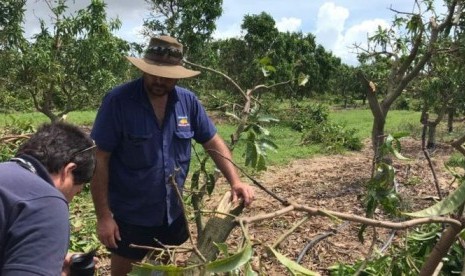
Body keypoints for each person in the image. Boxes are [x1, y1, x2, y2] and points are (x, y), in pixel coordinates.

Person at [90, 35, 255, 275]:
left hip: (172, 213)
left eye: (167, 76)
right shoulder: (119, 101)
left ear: (178, 74)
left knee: (162, 269)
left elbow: (211, 140)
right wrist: (104, 216)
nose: (159, 80)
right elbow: (100, 158)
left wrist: (236, 180)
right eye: (153, 73)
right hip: (130, 216)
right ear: (144, 69)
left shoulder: (187, 102)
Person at [0, 122, 96, 275]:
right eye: (77, 190)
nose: (70, 200)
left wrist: (42, 260)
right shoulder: (46, 202)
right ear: (69, 170)